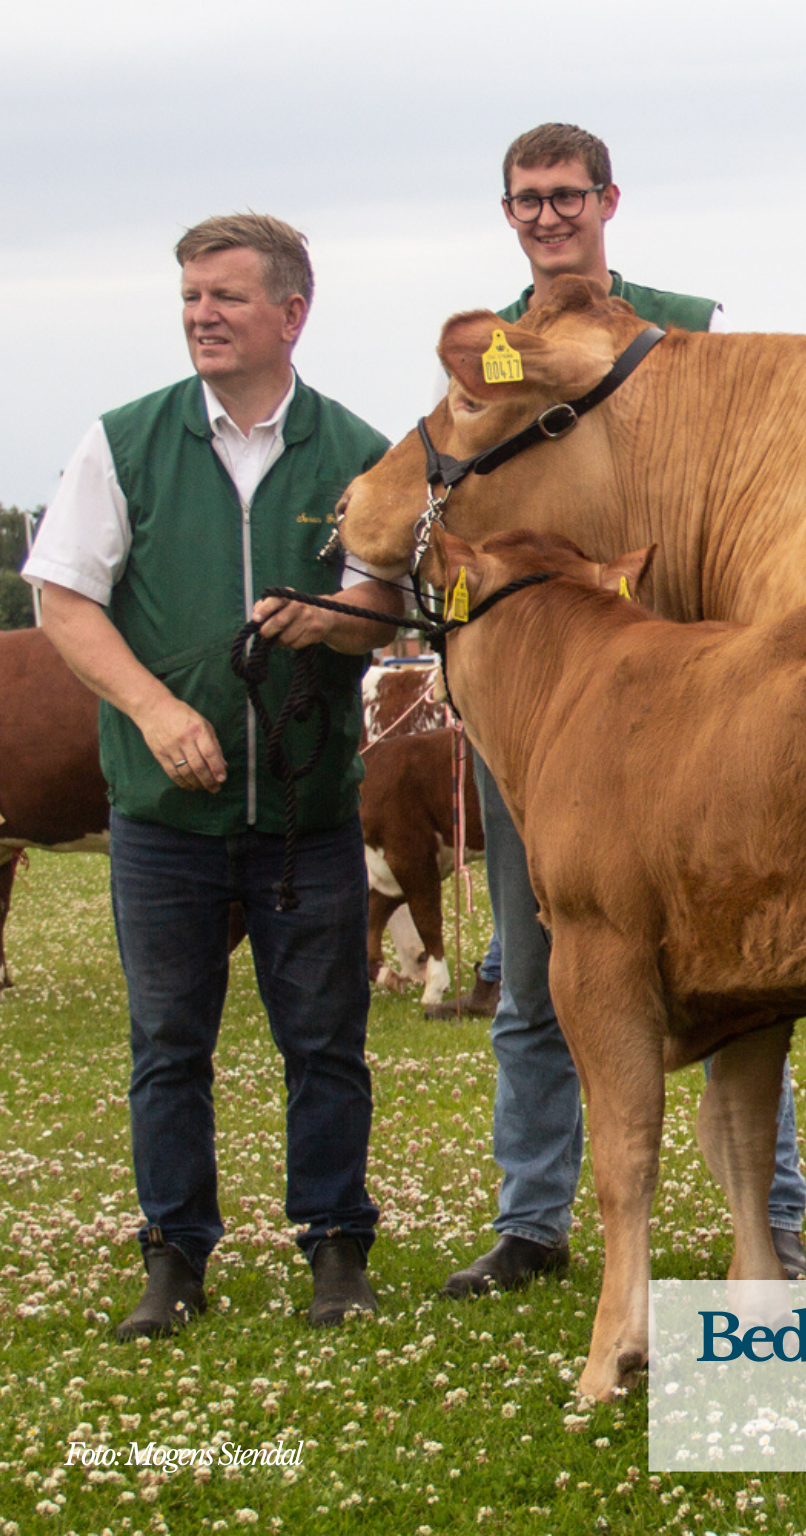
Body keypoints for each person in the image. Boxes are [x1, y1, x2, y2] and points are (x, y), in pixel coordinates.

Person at [442, 123, 806, 1299]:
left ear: (609, 199)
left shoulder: (686, 326)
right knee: (542, 956)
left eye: (566, 195)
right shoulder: (481, 358)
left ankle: (773, 1220)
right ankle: (532, 1218)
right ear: (506, 215)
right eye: (526, 200)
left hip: (693, 696)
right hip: (551, 704)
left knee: (744, 960)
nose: (547, 216)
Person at [27, 214, 401, 1337]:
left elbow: (384, 602)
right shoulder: (123, 442)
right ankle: (174, 1258)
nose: (202, 315)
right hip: (162, 816)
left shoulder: (359, 455)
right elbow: (62, 598)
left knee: (325, 1041)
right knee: (168, 1043)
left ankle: (335, 1248)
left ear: (293, 312)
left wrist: (331, 619)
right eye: (191, 297)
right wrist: (148, 707)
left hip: (307, 812)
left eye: (227, 297)